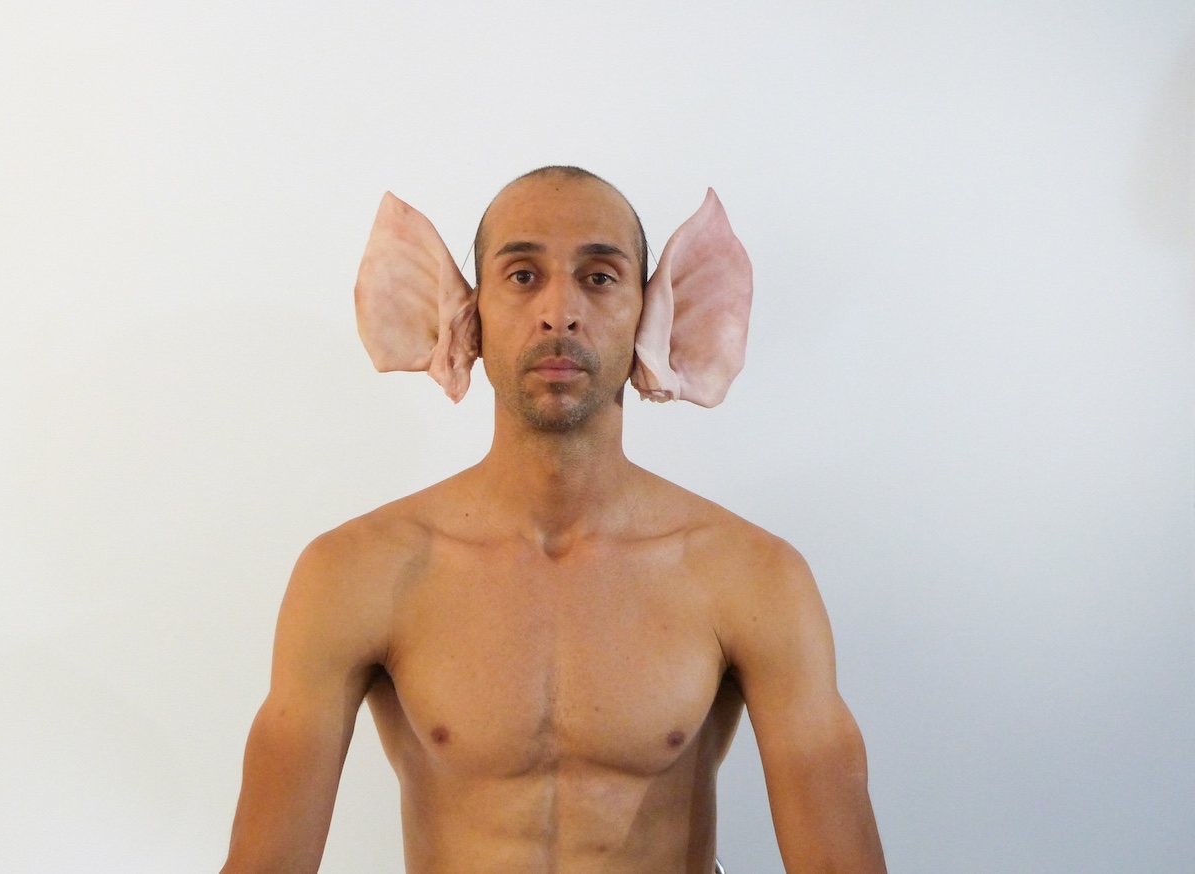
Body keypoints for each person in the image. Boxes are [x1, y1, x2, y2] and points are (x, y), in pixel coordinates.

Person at [219, 167, 886, 874]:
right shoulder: (355, 571)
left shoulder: (752, 576)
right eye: (522, 276)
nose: (560, 311)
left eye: (599, 277)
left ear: (661, 312)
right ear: (462, 310)